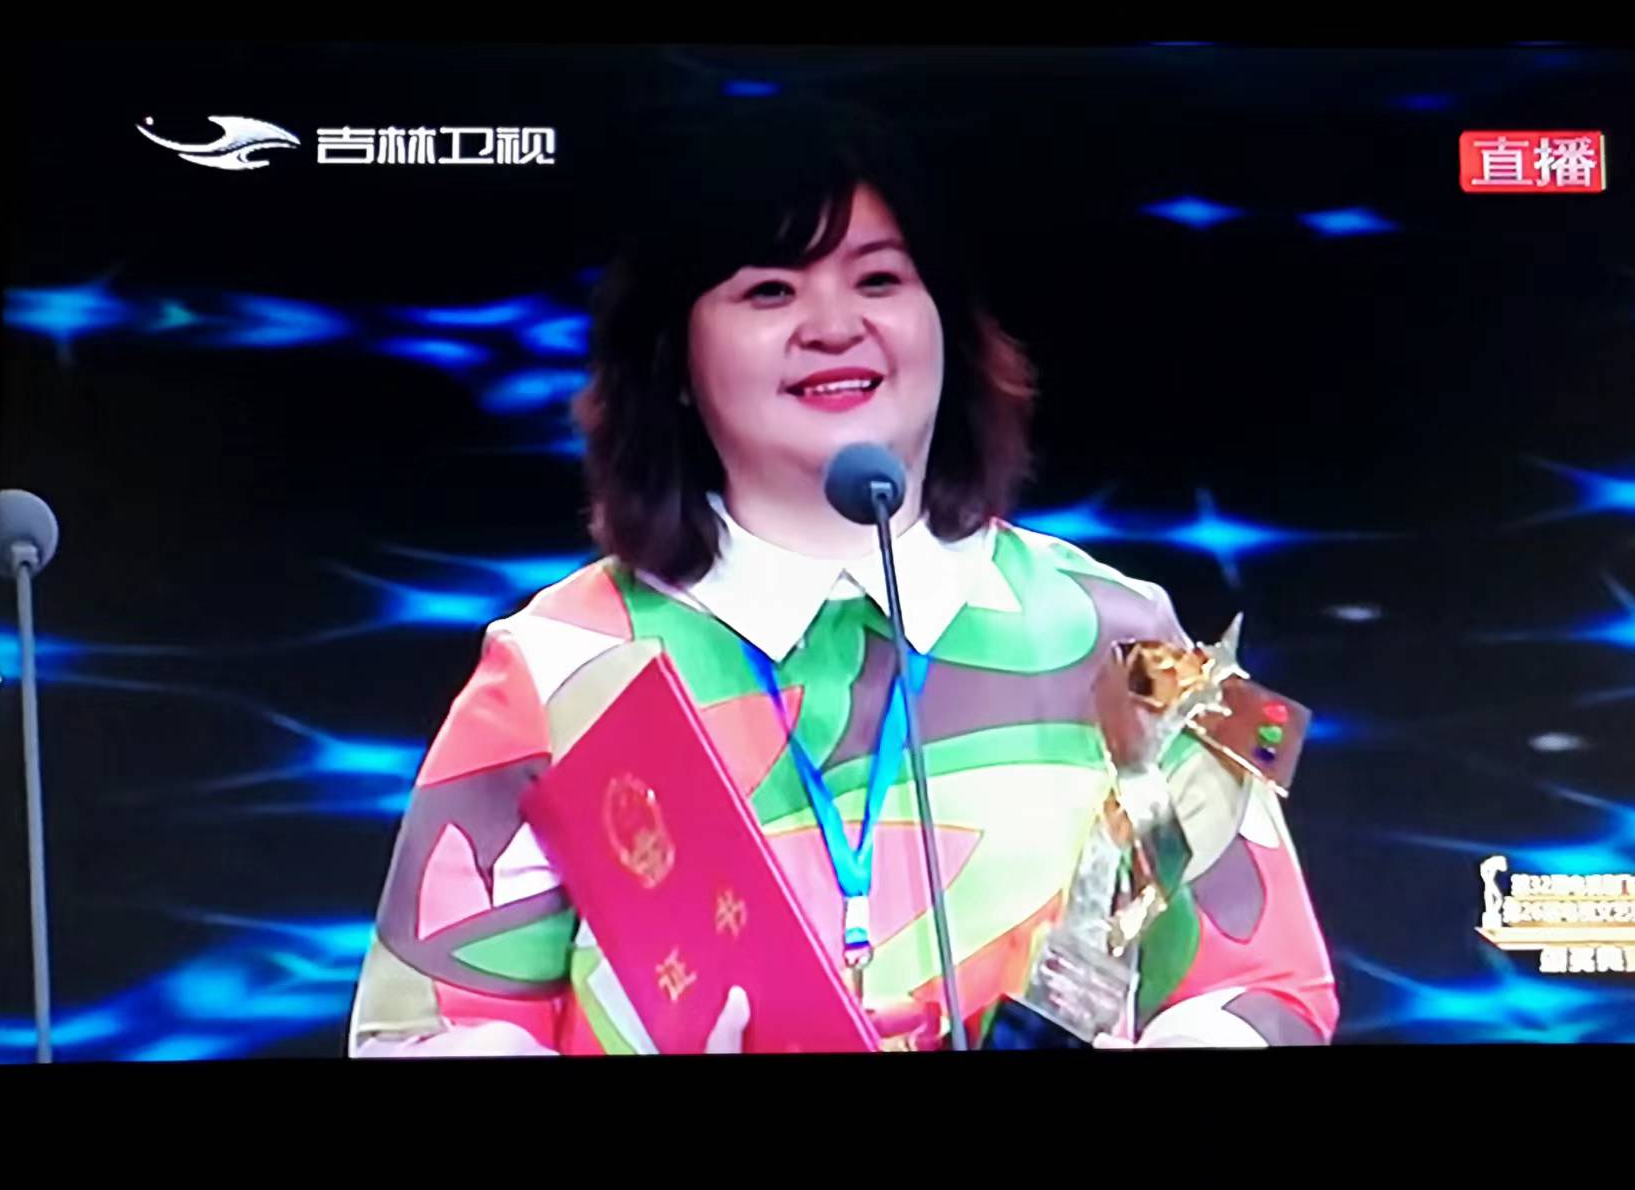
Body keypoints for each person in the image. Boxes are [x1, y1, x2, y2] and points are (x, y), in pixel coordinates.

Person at [347, 98, 1338, 1055]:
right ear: (675, 359)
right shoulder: (559, 665)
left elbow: (1266, 984)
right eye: (769, 290)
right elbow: (427, 1028)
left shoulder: (1128, 631)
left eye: (878, 279)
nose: (832, 324)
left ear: (944, 323)